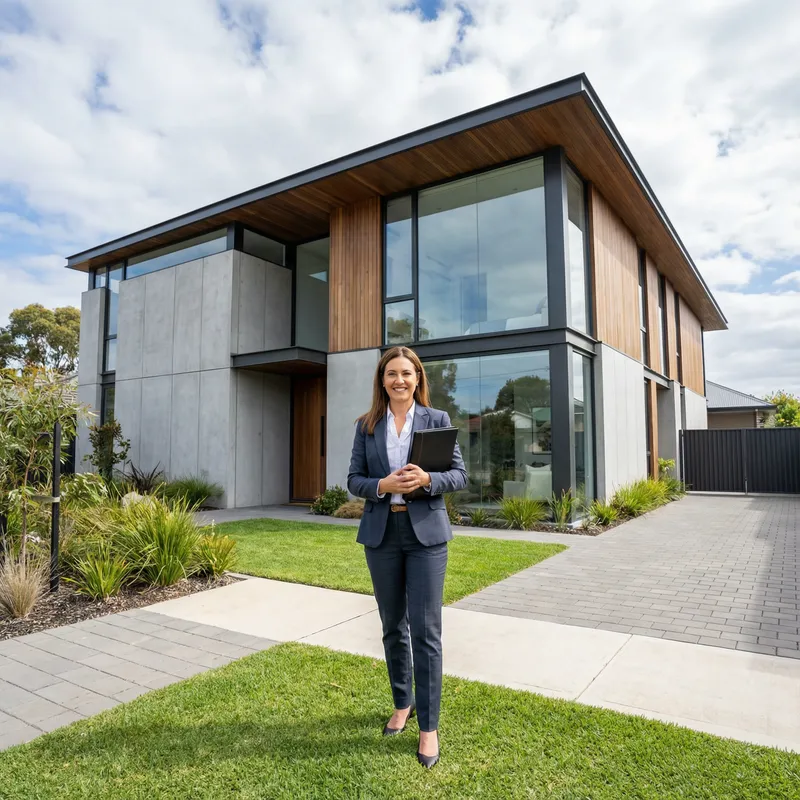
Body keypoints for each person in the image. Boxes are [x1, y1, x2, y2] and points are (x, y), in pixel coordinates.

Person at [347, 345, 468, 769]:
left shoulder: (437, 420)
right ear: (382, 381)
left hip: (426, 537)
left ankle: (428, 728)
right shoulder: (367, 425)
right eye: (391, 373)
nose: (399, 380)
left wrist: (428, 478)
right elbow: (354, 480)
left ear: (418, 379)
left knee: (426, 631)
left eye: (406, 373)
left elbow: (459, 475)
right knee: (392, 626)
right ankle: (403, 703)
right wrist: (382, 485)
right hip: (382, 535)